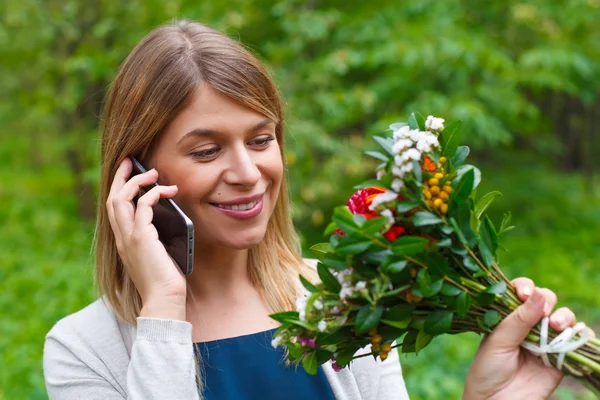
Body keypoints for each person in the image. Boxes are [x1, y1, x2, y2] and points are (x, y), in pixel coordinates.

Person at [43, 20, 580, 400]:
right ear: (135, 175)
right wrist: (163, 303)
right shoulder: (85, 350)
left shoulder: (338, 298)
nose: (248, 173)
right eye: (206, 151)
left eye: (260, 139)